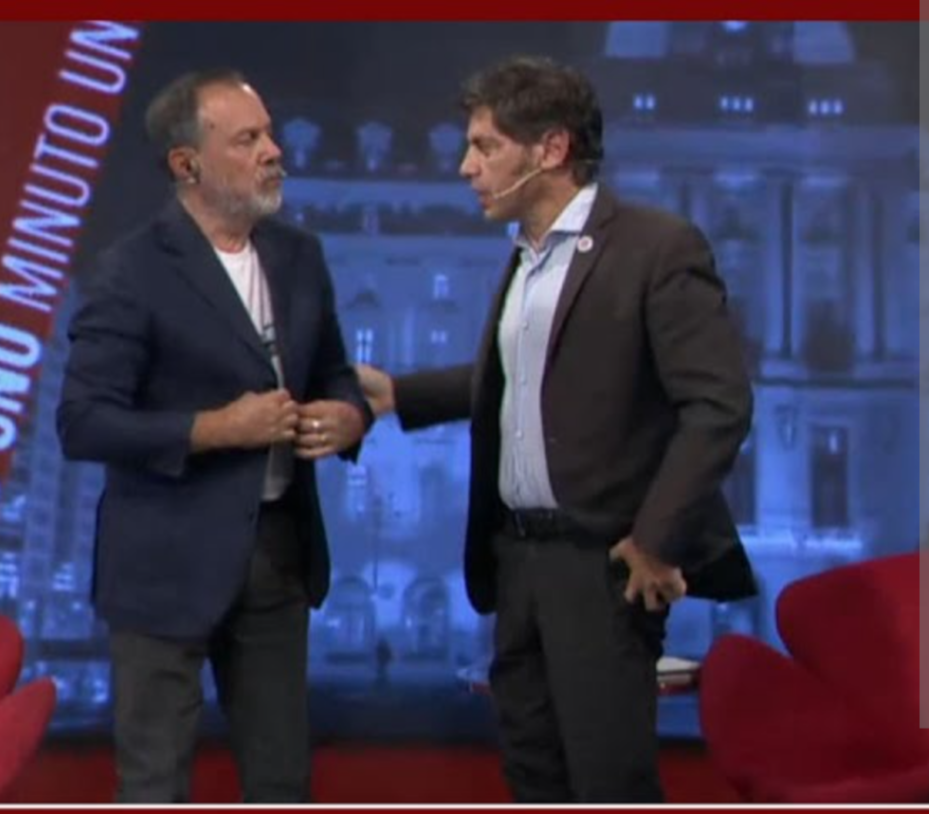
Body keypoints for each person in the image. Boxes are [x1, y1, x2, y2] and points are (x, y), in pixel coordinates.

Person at [358, 56, 757, 803]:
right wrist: (399, 395)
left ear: (551, 149)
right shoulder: (525, 259)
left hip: (602, 566)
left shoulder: (655, 248)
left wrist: (655, 539)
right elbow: (525, 379)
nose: (466, 166)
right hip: (518, 562)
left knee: (607, 783)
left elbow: (719, 405)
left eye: (485, 146)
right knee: (534, 778)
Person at [57, 69, 371, 803]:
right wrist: (217, 429)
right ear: (187, 163)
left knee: (281, 781)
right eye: (247, 139)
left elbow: (335, 371)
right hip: (164, 562)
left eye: (270, 134)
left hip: (276, 556)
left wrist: (349, 415)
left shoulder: (299, 256)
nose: (273, 152)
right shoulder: (131, 270)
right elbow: (83, 420)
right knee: (156, 782)